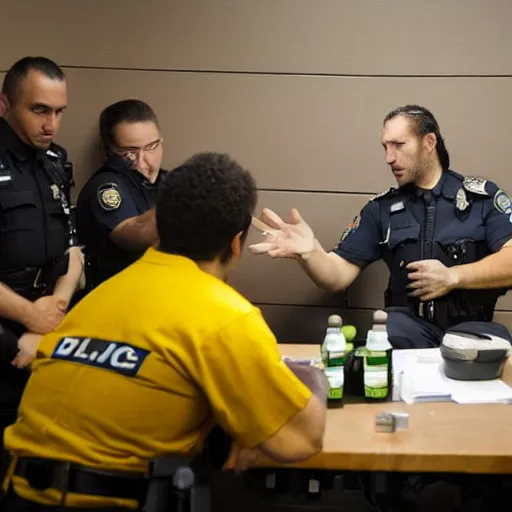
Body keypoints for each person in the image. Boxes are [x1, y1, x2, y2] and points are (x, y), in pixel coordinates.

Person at [1, 152, 328, 511]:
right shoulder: (225, 315)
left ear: (159, 228)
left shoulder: (100, 296)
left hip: (17, 492)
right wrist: (310, 377)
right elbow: (299, 439)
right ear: (236, 243)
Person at [250, 105, 512, 349]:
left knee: (496, 350)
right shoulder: (381, 209)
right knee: (380, 341)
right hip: (406, 332)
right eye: (385, 147)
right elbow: (337, 275)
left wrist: (453, 277)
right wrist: (310, 253)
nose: (389, 158)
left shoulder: (482, 199)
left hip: (471, 333)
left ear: (428, 142)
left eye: (399, 145)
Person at [0, 57, 84, 456]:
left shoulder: (56, 161)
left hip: (49, 323)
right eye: (39, 110)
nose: (51, 124)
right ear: (4, 105)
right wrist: (29, 317)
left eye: (59, 111)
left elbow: (72, 249)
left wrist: (51, 313)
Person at [76, 99, 165, 292]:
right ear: (110, 151)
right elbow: (132, 236)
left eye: (151, 147)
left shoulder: (170, 182)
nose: (143, 162)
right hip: (116, 303)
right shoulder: (105, 187)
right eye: (129, 152)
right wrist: (186, 204)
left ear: (161, 143)